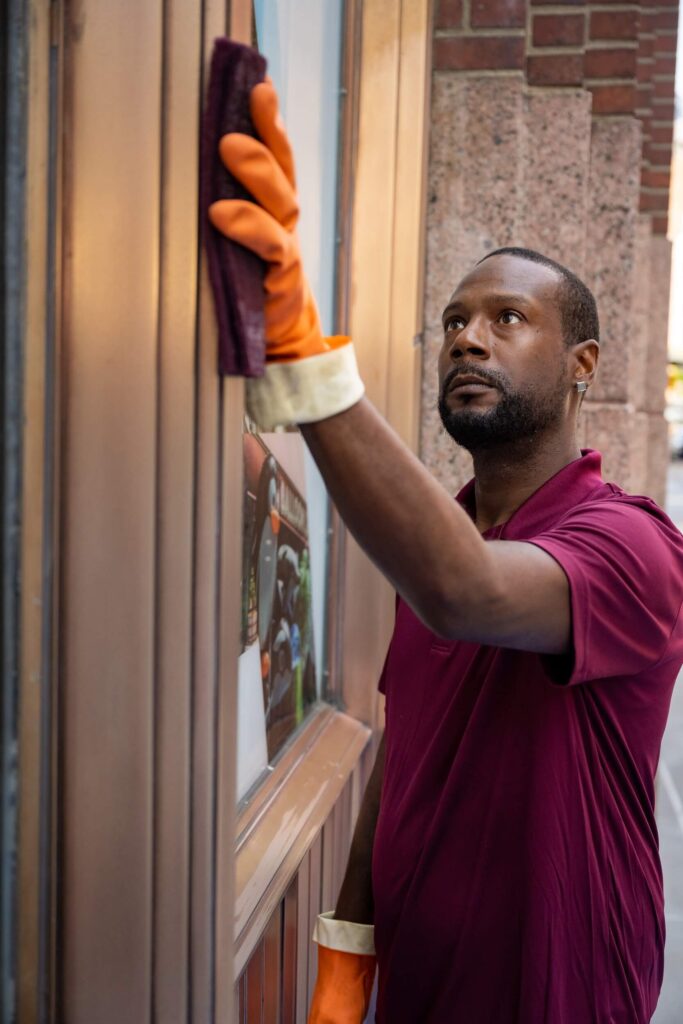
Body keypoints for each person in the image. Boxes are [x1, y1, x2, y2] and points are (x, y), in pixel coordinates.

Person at [208, 79, 683, 1023]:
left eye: (507, 319)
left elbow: (464, 595)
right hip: (418, 989)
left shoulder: (634, 545)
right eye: (454, 323)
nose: (467, 338)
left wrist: (303, 356)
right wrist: (347, 954)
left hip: (557, 994)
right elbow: (405, 748)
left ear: (581, 365)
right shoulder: (448, 536)